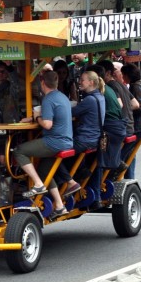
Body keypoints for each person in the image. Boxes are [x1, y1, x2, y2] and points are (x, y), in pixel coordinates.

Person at [14, 70, 73, 219]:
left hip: (55, 142)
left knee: (19, 150)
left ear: (42, 83)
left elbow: (47, 124)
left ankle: (38, 184)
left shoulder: (48, 99)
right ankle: (60, 206)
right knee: (44, 170)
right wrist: (34, 119)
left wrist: (38, 117)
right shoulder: (63, 97)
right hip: (67, 140)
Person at [53, 71, 105, 199]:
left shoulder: (89, 100)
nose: (79, 82)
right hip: (93, 139)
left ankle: (68, 183)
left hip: (85, 140)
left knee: (52, 153)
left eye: (82, 80)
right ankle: (80, 172)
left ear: (91, 82)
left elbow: (70, 113)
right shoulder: (100, 96)